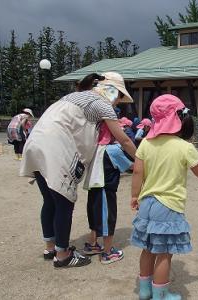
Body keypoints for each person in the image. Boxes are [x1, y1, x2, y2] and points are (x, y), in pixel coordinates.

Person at [20, 72, 136, 268]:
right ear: (112, 91)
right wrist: (144, 159)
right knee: (64, 202)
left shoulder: (74, 96)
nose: (118, 103)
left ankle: (51, 247)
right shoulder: (102, 103)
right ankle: (63, 255)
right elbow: (124, 140)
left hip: (35, 142)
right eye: (119, 98)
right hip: (55, 145)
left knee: (49, 200)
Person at [130, 94, 198, 299]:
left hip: (147, 203)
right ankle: (160, 294)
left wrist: (134, 195)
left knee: (148, 249)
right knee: (164, 252)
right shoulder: (184, 147)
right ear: (178, 118)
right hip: (168, 205)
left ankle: (144, 290)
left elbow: (137, 172)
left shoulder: (146, 144)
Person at [83, 86, 135, 265]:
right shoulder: (113, 149)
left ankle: (92, 244)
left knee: (93, 213)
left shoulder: (97, 146)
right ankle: (107, 252)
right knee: (107, 217)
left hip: (94, 186)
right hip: (106, 189)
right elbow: (131, 166)